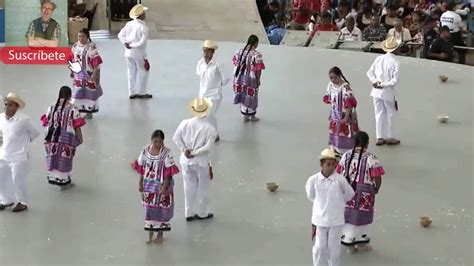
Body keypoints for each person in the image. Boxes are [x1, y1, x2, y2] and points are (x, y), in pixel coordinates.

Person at [305, 148, 355, 266]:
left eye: (333, 164)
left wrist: (338, 202)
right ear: (321, 164)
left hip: (335, 220)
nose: (331, 167)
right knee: (320, 247)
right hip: (320, 219)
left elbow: (350, 194)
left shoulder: (340, 180)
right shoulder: (313, 180)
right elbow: (311, 195)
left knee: (334, 249)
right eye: (328, 164)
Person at [336, 131, 384, 246]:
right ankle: (354, 236)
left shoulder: (346, 155)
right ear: (367, 143)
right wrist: (377, 188)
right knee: (361, 212)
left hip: (347, 189)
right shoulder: (371, 158)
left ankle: (347, 234)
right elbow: (377, 176)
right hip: (365, 191)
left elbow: (338, 171)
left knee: (348, 211)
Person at [131, 130, 180, 244]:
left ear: (163, 141)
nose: (158, 144)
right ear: (151, 140)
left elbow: (168, 172)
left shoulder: (167, 153)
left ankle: (160, 235)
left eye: (160, 142)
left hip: (162, 186)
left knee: (161, 210)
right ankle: (150, 234)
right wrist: (140, 183)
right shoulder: (145, 152)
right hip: (148, 186)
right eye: (155, 141)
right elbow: (142, 169)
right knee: (149, 210)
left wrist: (164, 186)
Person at [173, 98, 217, 222]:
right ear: (207, 111)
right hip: (202, 162)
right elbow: (207, 147)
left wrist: (185, 150)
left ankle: (189, 213)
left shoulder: (184, 123)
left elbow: (176, 138)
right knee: (203, 187)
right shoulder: (210, 129)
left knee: (188, 186)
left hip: (186, 161)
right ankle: (202, 213)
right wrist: (195, 152)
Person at [0, 93, 39, 212]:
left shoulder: (23, 120)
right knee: (1, 178)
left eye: (10, 105)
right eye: (6, 105)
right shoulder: (1, 117)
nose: (7, 108)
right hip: (4, 154)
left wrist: (24, 143)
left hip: (19, 156)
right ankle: (6, 200)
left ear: (16, 107)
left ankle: (22, 202)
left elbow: (35, 132)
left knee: (17, 180)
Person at [41, 86, 85, 190]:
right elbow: (77, 125)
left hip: (51, 138)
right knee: (65, 158)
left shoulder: (51, 107)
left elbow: (46, 122)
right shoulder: (72, 109)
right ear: (70, 96)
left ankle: (57, 178)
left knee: (54, 157)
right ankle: (64, 182)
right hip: (66, 138)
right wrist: (80, 138)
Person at [366, 36, 401, 146]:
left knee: (379, 113)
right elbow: (394, 80)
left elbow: (369, 72)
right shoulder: (395, 62)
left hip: (376, 91)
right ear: (395, 49)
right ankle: (389, 136)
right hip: (387, 91)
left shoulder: (379, 58)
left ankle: (379, 136)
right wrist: (384, 84)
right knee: (390, 113)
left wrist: (375, 81)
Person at [196, 40, 229, 142]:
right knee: (202, 115)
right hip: (203, 94)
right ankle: (207, 133)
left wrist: (218, 85)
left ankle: (215, 135)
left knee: (210, 115)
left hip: (214, 95)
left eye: (208, 51)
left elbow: (226, 78)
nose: (205, 53)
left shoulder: (218, 64)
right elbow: (199, 74)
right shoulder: (200, 63)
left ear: (212, 52)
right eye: (204, 51)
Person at [323, 67, 359, 155]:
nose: (332, 80)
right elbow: (329, 99)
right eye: (331, 78)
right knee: (335, 133)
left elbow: (349, 103)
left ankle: (347, 152)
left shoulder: (345, 87)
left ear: (339, 76)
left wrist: (346, 117)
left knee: (346, 134)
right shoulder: (330, 85)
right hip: (335, 115)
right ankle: (335, 150)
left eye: (334, 77)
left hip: (344, 115)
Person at [118, 4, 151, 99]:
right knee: (143, 71)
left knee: (131, 72)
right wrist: (132, 45)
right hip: (139, 53)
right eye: (143, 13)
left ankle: (131, 92)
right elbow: (142, 42)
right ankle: (142, 92)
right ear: (140, 15)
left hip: (128, 53)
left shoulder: (129, 24)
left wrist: (126, 43)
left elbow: (120, 35)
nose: (145, 15)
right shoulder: (144, 28)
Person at [70, 28, 103, 119]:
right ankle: (78, 111)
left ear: (87, 37)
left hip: (89, 74)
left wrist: (94, 74)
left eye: (83, 36)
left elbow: (96, 62)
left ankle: (89, 111)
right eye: (79, 36)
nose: (81, 38)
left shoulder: (91, 47)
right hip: (78, 74)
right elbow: (73, 59)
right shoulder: (75, 46)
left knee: (89, 94)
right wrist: (72, 71)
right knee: (77, 93)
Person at [232, 35, 265, 122]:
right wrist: (258, 80)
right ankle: (252, 116)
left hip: (240, 78)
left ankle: (245, 116)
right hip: (251, 79)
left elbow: (235, 63)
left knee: (243, 94)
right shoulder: (257, 55)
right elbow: (258, 70)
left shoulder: (239, 51)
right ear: (256, 43)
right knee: (252, 96)